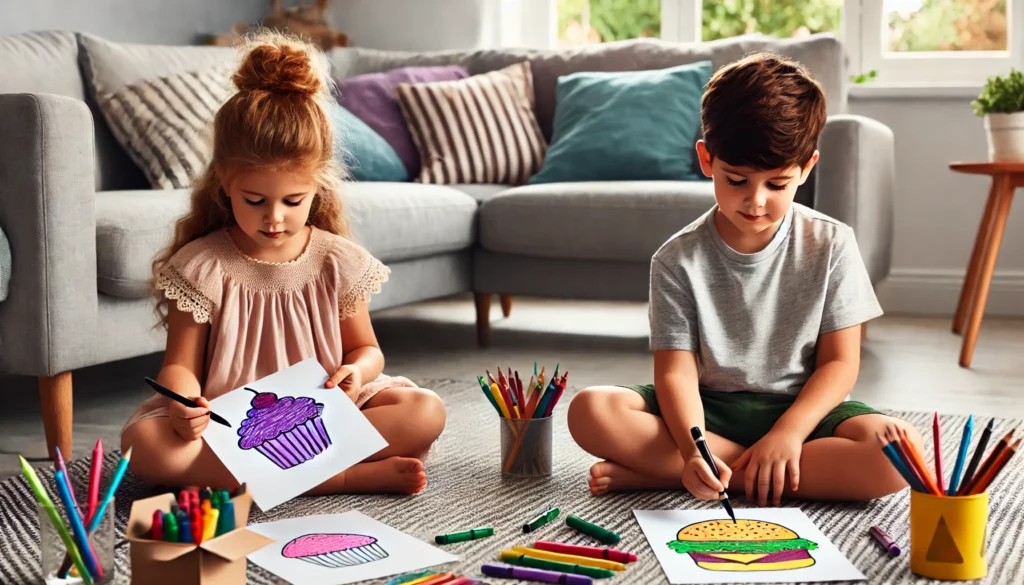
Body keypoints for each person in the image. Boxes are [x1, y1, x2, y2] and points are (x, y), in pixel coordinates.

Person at [567, 53, 924, 505]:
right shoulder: (676, 259)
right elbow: (675, 372)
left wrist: (789, 434)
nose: (755, 201)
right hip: (707, 410)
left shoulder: (832, 244)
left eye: (777, 184)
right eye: (736, 180)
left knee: (899, 451)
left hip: (805, 412)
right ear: (706, 158)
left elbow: (840, 364)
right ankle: (716, 471)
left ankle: (678, 475)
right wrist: (694, 447)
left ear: (807, 168)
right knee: (591, 410)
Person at [121, 31, 445, 495]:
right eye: (254, 200)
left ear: (318, 188)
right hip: (229, 420)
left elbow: (366, 351)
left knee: (425, 410)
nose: (274, 218)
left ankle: (260, 482)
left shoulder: (336, 260)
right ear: (225, 185)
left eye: (293, 200)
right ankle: (343, 476)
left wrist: (358, 373)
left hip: (325, 413)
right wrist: (184, 403)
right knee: (145, 446)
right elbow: (179, 366)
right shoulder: (201, 266)